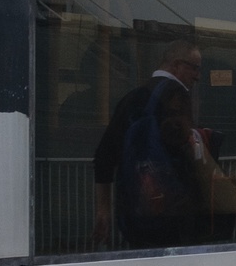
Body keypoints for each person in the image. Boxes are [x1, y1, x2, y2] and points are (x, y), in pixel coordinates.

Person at [92, 40, 222, 249]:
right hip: (174, 219)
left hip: (135, 218)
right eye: (195, 68)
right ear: (176, 65)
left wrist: (103, 210)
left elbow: (103, 157)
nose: (198, 76)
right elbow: (189, 157)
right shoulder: (178, 97)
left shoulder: (130, 99)